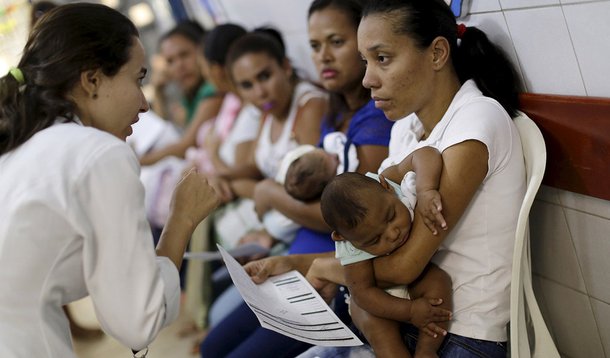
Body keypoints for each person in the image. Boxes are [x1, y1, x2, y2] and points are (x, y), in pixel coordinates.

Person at [245, 0, 526, 357]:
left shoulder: (475, 124)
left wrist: (312, 265)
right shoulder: (406, 128)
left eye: (383, 58)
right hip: (403, 321)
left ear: (437, 53)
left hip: (460, 335)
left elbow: (404, 266)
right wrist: (296, 263)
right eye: (366, 61)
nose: (368, 79)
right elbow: (376, 239)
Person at [0, 4, 219, 357]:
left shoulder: (20, 145)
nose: (144, 104)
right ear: (92, 80)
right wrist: (182, 219)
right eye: (138, 79)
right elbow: (137, 323)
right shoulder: (98, 153)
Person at [199, 1, 394, 357]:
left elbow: (347, 221)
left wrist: (269, 192)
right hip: (293, 268)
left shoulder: (375, 118)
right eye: (316, 46)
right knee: (213, 346)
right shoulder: (334, 112)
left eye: (337, 42)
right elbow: (307, 193)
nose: (324, 57)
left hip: (329, 284)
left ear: (365, 44)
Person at [320, 148, 452, 358]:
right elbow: (363, 293)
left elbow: (425, 154)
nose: (392, 234)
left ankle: (427, 350)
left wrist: (427, 189)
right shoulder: (350, 245)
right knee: (377, 327)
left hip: (416, 278)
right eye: (374, 240)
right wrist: (409, 311)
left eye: (391, 216)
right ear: (342, 237)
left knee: (438, 281)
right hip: (381, 298)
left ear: (386, 187)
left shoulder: (388, 179)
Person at [140, 20, 224, 166]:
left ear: (202, 52)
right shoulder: (192, 96)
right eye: (170, 61)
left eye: (184, 55)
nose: (179, 66)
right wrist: (158, 92)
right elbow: (164, 133)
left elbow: (185, 146)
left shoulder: (213, 90)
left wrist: (139, 162)